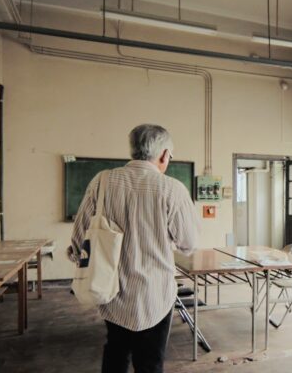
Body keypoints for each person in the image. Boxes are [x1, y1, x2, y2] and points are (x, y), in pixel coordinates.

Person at [69, 124, 198, 373]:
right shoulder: (172, 189)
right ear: (164, 154)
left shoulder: (102, 181)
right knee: (150, 363)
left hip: (111, 291)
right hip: (155, 296)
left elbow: (78, 241)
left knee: (115, 354)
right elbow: (189, 244)